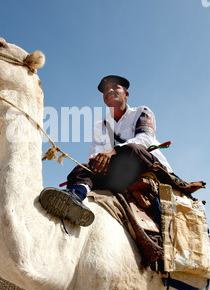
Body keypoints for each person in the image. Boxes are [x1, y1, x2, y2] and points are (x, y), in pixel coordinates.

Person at [39, 75, 173, 227]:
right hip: (119, 171)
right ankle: (75, 196)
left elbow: (145, 138)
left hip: (144, 162)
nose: (110, 90)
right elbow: (93, 155)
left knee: (132, 149)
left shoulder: (142, 111)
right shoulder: (100, 126)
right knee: (82, 169)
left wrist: (113, 151)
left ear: (126, 94)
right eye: (106, 90)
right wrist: (96, 162)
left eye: (115, 87)